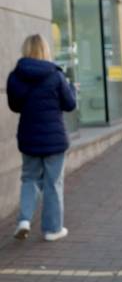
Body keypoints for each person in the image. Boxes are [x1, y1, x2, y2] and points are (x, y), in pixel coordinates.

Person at [6, 34, 77, 241]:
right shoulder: (55, 75)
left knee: (29, 178)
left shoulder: (15, 77)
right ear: (45, 50)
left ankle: (24, 220)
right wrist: (72, 88)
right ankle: (52, 230)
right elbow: (70, 104)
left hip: (29, 138)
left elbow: (15, 106)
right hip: (54, 140)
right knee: (53, 184)